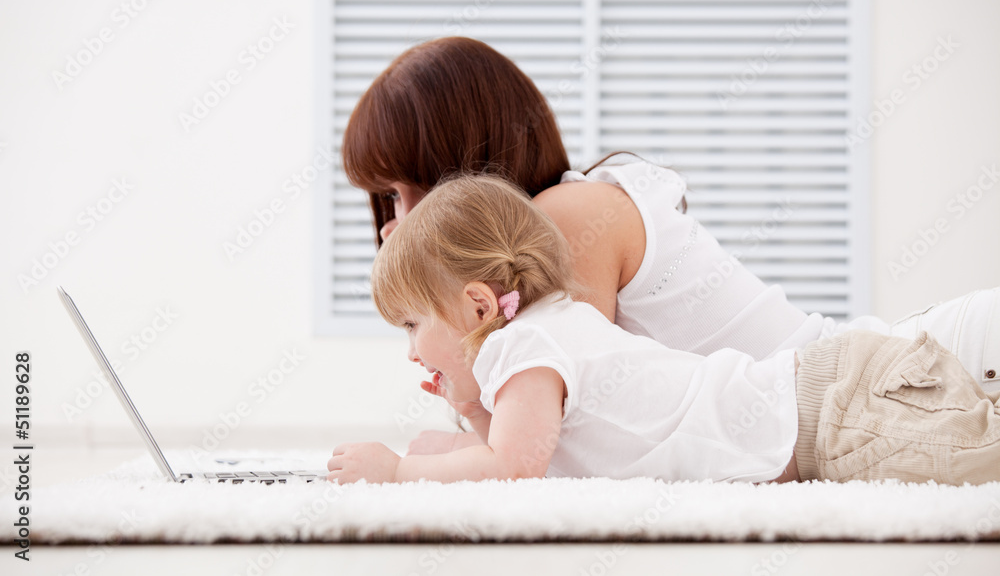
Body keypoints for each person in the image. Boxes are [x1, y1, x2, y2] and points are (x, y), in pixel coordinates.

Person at [341, 36, 1000, 453]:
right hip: (877, 386)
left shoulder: (564, 220)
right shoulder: (556, 225)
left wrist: (419, 459)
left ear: (460, 171)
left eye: (400, 195)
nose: (391, 230)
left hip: (907, 378)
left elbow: (550, 444)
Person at [326, 174, 1000, 485]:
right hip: (828, 398)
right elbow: (536, 447)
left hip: (834, 417)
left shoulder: (521, 343)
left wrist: (400, 471)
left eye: (412, 324)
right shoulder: (543, 332)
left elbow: (512, 465)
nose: (411, 348)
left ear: (478, 305)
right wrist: (469, 406)